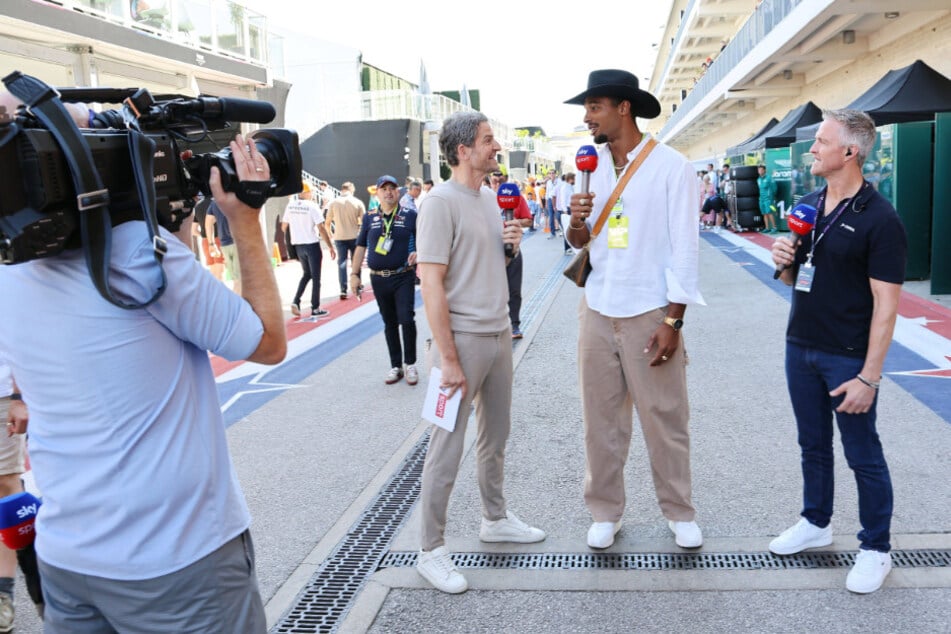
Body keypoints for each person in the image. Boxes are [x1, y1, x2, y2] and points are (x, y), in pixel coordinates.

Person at [0, 129, 287, 631]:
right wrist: (245, 219)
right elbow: (266, 342)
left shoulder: (11, 268)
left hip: (67, 555)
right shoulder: (135, 256)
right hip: (178, 564)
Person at [564, 69, 705, 551]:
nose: (587, 118)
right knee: (600, 419)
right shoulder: (587, 165)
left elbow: (685, 248)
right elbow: (579, 243)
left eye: (594, 106)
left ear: (623, 108)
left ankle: (679, 511)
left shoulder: (672, 166)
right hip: (597, 308)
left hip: (650, 310)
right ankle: (604, 510)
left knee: (665, 416)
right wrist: (576, 222)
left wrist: (673, 319)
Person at [769, 109, 906, 594]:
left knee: (862, 454)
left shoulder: (881, 219)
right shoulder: (807, 205)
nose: (812, 150)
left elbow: (887, 308)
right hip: (800, 344)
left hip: (848, 357)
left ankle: (876, 548)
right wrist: (784, 261)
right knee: (812, 446)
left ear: (850, 152)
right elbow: (795, 281)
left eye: (821, 142)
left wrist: (869, 376)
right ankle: (816, 522)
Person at [415, 111, 546, 594]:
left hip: (498, 337)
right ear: (462, 151)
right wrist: (447, 358)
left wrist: (508, 247)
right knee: (444, 446)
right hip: (460, 345)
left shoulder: (491, 198)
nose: (497, 147)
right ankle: (430, 549)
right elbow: (431, 284)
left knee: (496, 436)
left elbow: (486, 264)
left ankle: (495, 518)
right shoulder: (438, 203)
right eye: (489, 140)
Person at [350, 175, 419, 385]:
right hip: (379, 278)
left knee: (406, 319)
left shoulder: (410, 215)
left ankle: (410, 364)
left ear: (398, 192)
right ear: (377, 193)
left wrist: (420, 251)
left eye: (392, 188)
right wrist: (354, 275)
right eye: (384, 189)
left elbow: (424, 238)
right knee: (389, 323)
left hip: (403, 275)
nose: (388, 192)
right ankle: (395, 366)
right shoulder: (370, 217)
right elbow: (361, 246)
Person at [489, 172, 533, 339]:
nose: (498, 184)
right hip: (490, 251)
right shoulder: (485, 199)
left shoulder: (516, 198)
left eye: (501, 181)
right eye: (495, 181)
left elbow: (528, 220)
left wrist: (512, 221)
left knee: (514, 289)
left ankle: (515, 324)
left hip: (513, 250)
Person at [282, 184, 334, 318]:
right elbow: (321, 228)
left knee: (306, 274)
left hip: (298, 246)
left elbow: (284, 226)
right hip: (311, 244)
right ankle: (315, 307)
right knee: (316, 277)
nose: (312, 194)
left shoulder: (290, 205)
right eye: (310, 191)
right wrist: (330, 246)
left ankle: (296, 300)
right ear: (305, 192)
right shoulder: (312, 206)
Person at [325, 182, 365, 300]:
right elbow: (364, 222)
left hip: (339, 236)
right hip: (354, 236)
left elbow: (327, 222)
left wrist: (330, 234)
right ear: (352, 190)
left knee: (341, 263)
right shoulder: (357, 202)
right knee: (356, 261)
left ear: (341, 189)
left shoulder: (333, 202)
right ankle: (358, 284)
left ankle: (343, 289)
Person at [205, 199, 241, 294]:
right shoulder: (237, 195)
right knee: (240, 281)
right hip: (239, 243)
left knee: (236, 280)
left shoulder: (215, 202)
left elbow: (208, 222)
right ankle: (235, 306)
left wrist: (211, 244)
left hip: (225, 244)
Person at [758, 164, 778, 233]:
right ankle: (767, 228)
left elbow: (774, 188)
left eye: (761, 170)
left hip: (769, 199)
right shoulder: (758, 179)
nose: (760, 171)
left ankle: (774, 227)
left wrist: (771, 196)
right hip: (761, 199)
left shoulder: (769, 178)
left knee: (770, 212)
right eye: (759, 170)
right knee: (764, 213)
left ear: (764, 170)